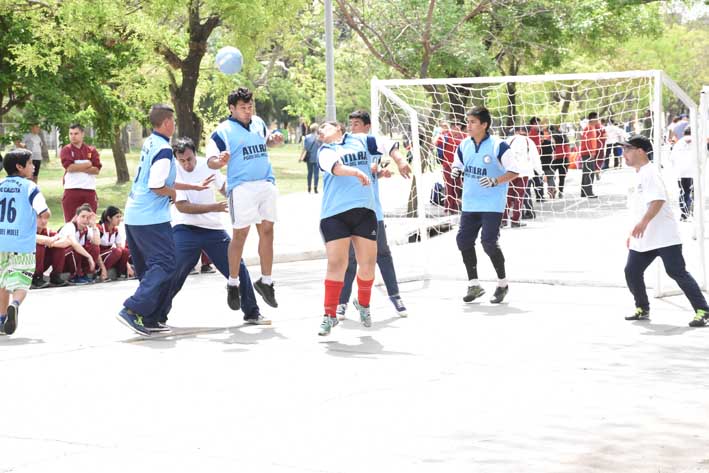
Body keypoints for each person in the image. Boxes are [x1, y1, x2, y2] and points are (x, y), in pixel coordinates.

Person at [159, 137, 266, 325]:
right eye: (182, 160)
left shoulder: (208, 165)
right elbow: (183, 207)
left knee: (237, 268)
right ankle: (157, 316)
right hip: (185, 228)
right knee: (174, 272)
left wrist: (242, 198)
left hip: (212, 229)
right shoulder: (173, 173)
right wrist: (214, 207)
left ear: (195, 154)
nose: (187, 164)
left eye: (190, 159)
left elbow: (225, 188)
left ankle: (252, 312)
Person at [206, 87, 283, 311]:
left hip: (266, 183)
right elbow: (210, 161)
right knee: (240, 235)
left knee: (268, 230)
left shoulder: (258, 122)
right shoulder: (222, 132)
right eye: (243, 108)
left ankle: (266, 281)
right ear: (232, 109)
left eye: (250, 107)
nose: (248, 111)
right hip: (241, 188)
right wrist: (219, 161)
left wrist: (274, 140)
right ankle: (232, 282)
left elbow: (266, 141)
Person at [621, 134, 709, 327]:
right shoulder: (639, 174)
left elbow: (658, 200)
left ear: (641, 151)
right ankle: (642, 308)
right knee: (632, 271)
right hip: (644, 238)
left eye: (627, 149)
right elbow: (639, 207)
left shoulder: (650, 172)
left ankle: (703, 310)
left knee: (676, 272)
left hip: (664, 237)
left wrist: (643, 223)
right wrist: (633, 232)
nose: (623, 153)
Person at [336, 109, 412, 320]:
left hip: (371, 212)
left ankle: (395, 297)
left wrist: (400, 161)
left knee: (382, 254)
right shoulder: (343, 144)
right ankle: (341, 302)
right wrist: (375, 171)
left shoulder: (369, 142)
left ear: (367, 127)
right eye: (351, 124)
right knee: (349, 260)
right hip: (348, 211)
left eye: (357, 124)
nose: (353, 128)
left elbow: (389, 146)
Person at [116, 104, 178, 336]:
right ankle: (132, 310)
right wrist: (173, 193)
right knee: (166, 264)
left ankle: (150, 317)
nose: (174, 124)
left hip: (134, 214)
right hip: (151, 217)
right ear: (166, 122)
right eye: (172, 120)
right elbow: (156, 185)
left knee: (150, 269)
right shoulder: (164, 149)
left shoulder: (150, 142)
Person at [316, 121, 379, 336]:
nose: (320, 130)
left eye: (325, 126)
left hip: (364, 211)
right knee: (337, 263)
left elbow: (388, 146)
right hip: (335, 214)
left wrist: (398, 159)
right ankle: (329, 315)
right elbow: (337, 168)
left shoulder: (360, 141)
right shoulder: (325, 150)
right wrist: (357, 172)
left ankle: (363, 304)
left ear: (339, 129)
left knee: (368, 265)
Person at [451, 106, 519, 303]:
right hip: (470, 203)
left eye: (472, 122)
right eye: (467, 121)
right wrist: (456, 170)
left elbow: (514, 171)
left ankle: (502, 284)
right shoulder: (464, 145)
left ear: (484, 124)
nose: (468, 126)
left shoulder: (499, 146)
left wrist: (495, 181)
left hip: (492, 204)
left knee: (488, 243)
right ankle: (474, 284)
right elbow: (458, 164)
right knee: (463, 241)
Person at [0, 149, 50, 335]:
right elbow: (44, 212)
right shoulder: (29, 187)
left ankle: (1, 319)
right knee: (22, 281)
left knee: (2, 281)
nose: (33, 166)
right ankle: (15, 304)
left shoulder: (0, 184)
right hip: (21, 244)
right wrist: (40, 222)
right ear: (20, 167)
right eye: (30, 163)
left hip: (1, 242)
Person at [60, 124, 102, 221]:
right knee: (71, 222)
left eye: (76, 133)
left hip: (89, 190)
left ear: (82, 134)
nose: (73, 136)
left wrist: (77, 167)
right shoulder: (66, 150)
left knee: (90, 222)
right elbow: (69, 168)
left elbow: (96, 170)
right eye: (70, 134)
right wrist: (88, 164)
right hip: (71, 190)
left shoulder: (91, 150)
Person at [503, 126, 540, 227]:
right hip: (523, 172)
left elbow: (501, 155)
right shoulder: (529, 141)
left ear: (517, 131)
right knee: (519, 197)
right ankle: (515, 220)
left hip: (510, 171)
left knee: (508, 196)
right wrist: (540, 172)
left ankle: (503, 219)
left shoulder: (508, 140)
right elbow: (535, 158)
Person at [58, 203, 100, 285]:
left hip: (76, 261)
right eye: (83, 216)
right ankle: (74, 276)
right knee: (75, 248)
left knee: (94, 248)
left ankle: (83, 274)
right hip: (62, 261)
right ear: (77, 217)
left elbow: (97, 243)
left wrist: (94, 226)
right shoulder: (70, 226)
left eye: (88, 218)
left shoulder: (87, 229)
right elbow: (74, 244)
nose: (85, 220)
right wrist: (89, 257)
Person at [33, 211, 75, 288]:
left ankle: (56, 276)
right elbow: (38, 239)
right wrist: (50, 240)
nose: (44, 221)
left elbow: (68, 241)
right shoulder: (27, 230)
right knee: (40, 246)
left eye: (46, 218)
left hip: (42, 264)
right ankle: (36, 277)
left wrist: (51, 242)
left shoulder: (48, 231)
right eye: (40, 217)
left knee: (59, 246)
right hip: (26, 265)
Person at [434, 120, 467, 213]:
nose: (456, 128)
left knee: (458, 186)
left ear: (460, 127)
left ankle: (456, 205)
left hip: (460, 166)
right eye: (454, 126)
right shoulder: (445, 136)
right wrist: (440, 133)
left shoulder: (465, 137)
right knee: (449, 186)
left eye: (458, 125)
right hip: (447, 165)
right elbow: (434, 144)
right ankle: (449, 206)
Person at [97, 206, 133, 280]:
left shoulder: (115, 231)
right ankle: (100, 272)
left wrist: (128, 267)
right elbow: (95, 251)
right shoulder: (99, 229)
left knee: (125, 251)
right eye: (117, 217)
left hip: (107, 256)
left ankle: (121, 273)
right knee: (117, 251)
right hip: (97, 258)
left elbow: (121, 249)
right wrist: (103, 268)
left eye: (120, 217)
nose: (119, 219)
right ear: (109, 218)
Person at [669, 127, 696, 221]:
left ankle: (684, 214)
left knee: (683, 192)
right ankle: (693, 212)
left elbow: (672, 158)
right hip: (694, 171)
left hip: (681, 172)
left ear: (684, 133)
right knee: (694, 192)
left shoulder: (678, 143)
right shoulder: (696, 142)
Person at [579, 112, 601, 198]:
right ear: (593, 119)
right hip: (588, 153)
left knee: (586, 172)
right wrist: (592, 152)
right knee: (589, 172)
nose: (598, 120)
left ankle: (584, 192)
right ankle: (588, 192)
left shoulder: (589, 128)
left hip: (587, 152)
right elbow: (590, 141)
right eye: (597, 118)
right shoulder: (589, 128)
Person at [299, 123, 321, 193]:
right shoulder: (319, 137)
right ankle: (315, 187)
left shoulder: (307, 137)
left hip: (309, 157)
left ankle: (309, 187)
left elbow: (304, 149)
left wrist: (301, 157)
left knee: (309, 173)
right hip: (317, 157)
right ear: (317, 129)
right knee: (316, 173)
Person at [549, 125, 570, 198]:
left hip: (556, 158)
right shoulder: (565, 136)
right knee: (562, 176)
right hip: (564, 158)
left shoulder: (552, 136)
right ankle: (560, 191)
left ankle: (553, 189)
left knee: (551, 175)